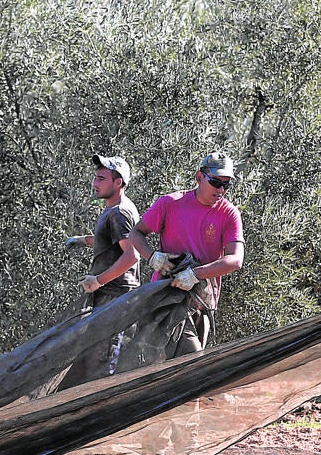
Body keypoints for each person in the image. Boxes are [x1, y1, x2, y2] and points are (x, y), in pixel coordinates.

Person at [127, 152, 245, 357]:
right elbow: (136, 233)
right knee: (190, 366)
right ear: (199, 177)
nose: (221, 190)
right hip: (163, 301)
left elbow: (235, 260)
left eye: (227, 185)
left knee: (184, 370)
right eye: (216, 182)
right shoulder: (169, 204)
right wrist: (153, 257)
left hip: (201, 305)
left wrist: (195, 274)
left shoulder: (229, 213)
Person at [60, 154, 142, 383]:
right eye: (95, 178)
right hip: (110, 295)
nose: (95, 184)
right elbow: (111, 239)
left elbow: (131, 255)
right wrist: (83, 240)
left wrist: (100, 280)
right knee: (94, 357)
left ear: (118, 183)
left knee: (103, 362)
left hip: (116, 296)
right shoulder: (115, 208)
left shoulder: (119, 213)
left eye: (101, 178)